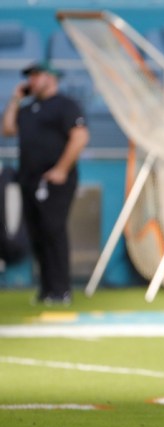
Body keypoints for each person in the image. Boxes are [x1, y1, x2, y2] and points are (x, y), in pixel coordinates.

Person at [1, 61, 89, 305]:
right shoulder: (28, 110)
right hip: (28, 180)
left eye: (36, 76)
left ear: (51, 78)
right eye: (29, 77)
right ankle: (47, 289)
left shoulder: (65, 105)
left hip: (55, 180)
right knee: (37, 234)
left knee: (53, 231)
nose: (31, 81)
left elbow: (80, 136)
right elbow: (8, 129)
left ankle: (61, 289)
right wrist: (15, 99)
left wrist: (61, 169)